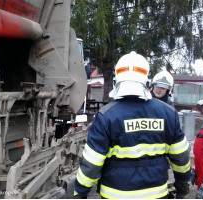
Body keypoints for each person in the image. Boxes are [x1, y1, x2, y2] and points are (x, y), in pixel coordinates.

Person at [73, 51, 191, 199]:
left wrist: (80, 192)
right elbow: (181, 155)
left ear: (117, 79)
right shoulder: (168, 113)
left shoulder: (106, 116)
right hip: (156, 194)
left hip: (115, 194)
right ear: (146, 80)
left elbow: (92, 162)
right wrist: (182, 183)